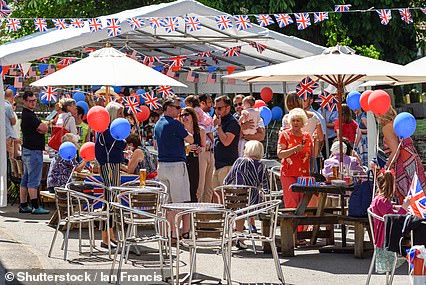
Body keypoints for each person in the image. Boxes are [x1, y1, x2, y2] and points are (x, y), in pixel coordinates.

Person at [154, 96, 194, 239]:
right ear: (168, 107)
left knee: (166, 203)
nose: (179, 111)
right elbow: (191, 139)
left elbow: (155, 145)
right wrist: (187, 127)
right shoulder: (175, 124)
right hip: (176, 165)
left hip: (162, 165)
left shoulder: (158, 124)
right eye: (177, 107)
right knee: (179, 202)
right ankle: (176, 233)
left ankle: (167, 233)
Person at [378, 106, 426, 204]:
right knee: (419, 193)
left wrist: (386, 166)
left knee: (407, 197)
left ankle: (410, 218)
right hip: (413, 160)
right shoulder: (397, 121)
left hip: (403, 166)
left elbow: (396, 151)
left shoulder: (387, 128)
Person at [95, 101, 126, 249]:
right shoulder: (108, 132)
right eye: (120, 113)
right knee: (110, 200)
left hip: (113, 165)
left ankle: (110, 235)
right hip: (109, 165)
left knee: (112, 200)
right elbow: (121, 145)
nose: (122, 117)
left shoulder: (110, 132)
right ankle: (105, 237)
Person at [224, 140, 269, 242]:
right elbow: (266, 186)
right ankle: (239, 238)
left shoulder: (240, 161)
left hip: (235, 198)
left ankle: (234, 236)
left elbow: (227, 180)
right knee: (243, 206)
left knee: (237, 205)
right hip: (253, 202)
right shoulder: (262, 165)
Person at [370, 170, 410, 274]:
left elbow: (389, 210)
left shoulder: (379, 199)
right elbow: (394, 219)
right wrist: (404, 208)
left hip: (384, 234)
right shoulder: (382, 201)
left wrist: (399, 207)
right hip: (387, 237)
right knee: (413, 235)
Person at [19, 91, 49, 214]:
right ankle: (35, 206)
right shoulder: (29, 116)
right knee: (34, 180)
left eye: (34, 100)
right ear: (24, 101)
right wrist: (42, 127)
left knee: (26, 179)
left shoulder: (27, 115)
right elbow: (44, 128)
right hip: (33, 151)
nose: (33, 103)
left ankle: (23, 204)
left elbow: (41, 128)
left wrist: (41, 127)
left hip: (27, 149)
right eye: (30, 101)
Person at [277, 108, 313, 209]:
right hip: (289, 173)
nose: (295, 122)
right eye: (293, 120)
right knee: (292, 204)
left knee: (304, 205)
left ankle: (303, 225)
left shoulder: (307, 137)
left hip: (304, 175)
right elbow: (279, 154)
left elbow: (313, 155)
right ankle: (293, 225)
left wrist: (318, 141)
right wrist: (294, 149)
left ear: (303, 122)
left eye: (298, 120)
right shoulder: (284, 135)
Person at [212, 95, 241, 189]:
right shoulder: (219, 121)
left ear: (228, 108)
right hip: (216, 164)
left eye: (219, 108)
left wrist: (219, 127)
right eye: (215, 108)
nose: (217, 111)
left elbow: (226, 141)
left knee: (226, 196)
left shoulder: (232, 122)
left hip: (227, 165)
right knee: (215, 195)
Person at [179, 107, 206, 202]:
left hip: (195, 161)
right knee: (182, 189)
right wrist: (187, 147)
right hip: (182, 162)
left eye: (186, 114)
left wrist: (200, 149)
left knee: (194, 189)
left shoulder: (200, 130)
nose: (184, 117)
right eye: (182, 115)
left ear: (192, 116)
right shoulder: (179, 130)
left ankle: (192, 214)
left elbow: (204, 146)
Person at [197, 94, 215, 202]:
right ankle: (197, 211)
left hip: (211, 152)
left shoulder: (208, 115)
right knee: (201, 184)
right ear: (202, 103)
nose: (211, 105)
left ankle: (206, 213)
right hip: (202, 152)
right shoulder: (198, 116)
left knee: (209, 186)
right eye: (209, 102)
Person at [5, 89, 20, 159]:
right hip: (9, 136)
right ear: (12, 97)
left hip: (3, 134)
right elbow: (13, 122)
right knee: (11, 157)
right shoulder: (8, 106)